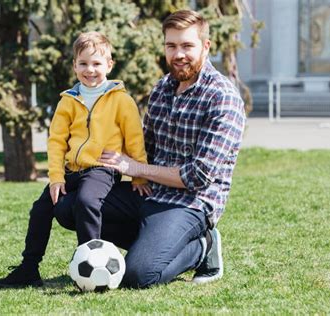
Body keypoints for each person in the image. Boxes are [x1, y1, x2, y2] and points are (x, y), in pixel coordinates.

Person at [98, 9, 246, 287]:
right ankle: (156, 242)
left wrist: (136, 167)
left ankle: (202, 245)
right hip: (150, 192)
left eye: (187, 46)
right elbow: (147, 147)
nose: (178, 54)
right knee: (76, 206)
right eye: (171, 46)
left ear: (206, 46)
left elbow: (197, 177)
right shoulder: (162, 88)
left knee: (138, 275)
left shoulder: (223, 98)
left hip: (190, 203)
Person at [0, 31, 149, 288]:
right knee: (41, 208)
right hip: (70, 170)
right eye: (83, 64)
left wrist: (139, 176)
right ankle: (28, 268)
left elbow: (134, 140)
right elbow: (56, 142)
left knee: (87, 202)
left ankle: (89, 268)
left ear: (109, 65)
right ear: (75, 66)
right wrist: (55, 178)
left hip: (102, 168)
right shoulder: (67, 100)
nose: (90, 70)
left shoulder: (122, 100)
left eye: (97, 63)